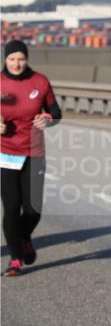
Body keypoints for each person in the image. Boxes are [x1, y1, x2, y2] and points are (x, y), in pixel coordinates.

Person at [1, 40, 61, 277]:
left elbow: (56, 113)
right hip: (5, 153)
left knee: (34, 210)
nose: (17, 63)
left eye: (21, 59)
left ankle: (23, 236)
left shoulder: (40, 82)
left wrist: (48, 119)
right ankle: (15, 258)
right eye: (12, 59)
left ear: (27, 59)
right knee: (12, 207)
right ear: (5, 59)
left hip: (34, 153)